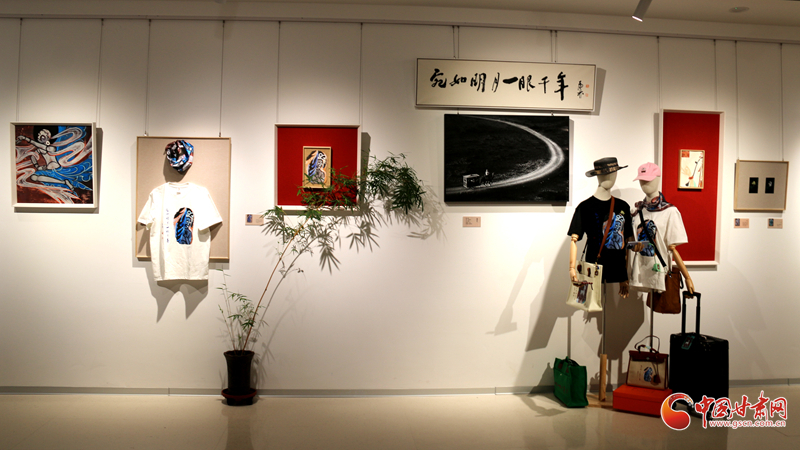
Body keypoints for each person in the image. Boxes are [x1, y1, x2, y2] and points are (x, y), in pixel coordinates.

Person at [567, 157, 634, 298]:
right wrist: (572, 269)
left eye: (612, 173)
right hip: (593, 269)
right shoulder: (585, 207)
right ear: (597, 176)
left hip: (617, 270)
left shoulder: (623, 206)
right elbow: (574, 239)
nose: (609, 177)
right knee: (591, 303)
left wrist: (624, 275)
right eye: (605, 174)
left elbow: (627, 243)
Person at [628, 162, 694, 294]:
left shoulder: (670, 211)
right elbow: (630, 241)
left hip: (658, 273)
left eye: (648, 180)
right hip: (639, 271)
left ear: (658, 179)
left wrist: (687, 277)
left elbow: (672, 248)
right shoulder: (636, 211)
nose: (644, 184)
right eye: (642, 180)